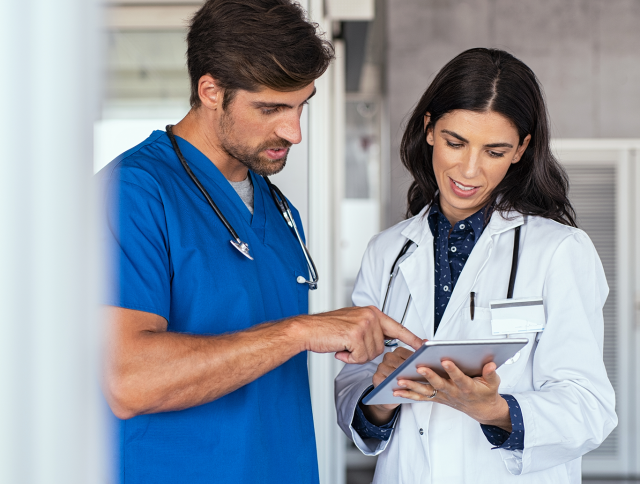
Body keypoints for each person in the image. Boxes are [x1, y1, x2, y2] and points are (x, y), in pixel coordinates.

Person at [99, 1, 422, 483]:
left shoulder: (280, 212)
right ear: (211, 91)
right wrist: (297, 332)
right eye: (271, 108)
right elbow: (128, 380)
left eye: (300, 105)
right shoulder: (132, 194)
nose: (292, 131)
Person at [335, 48, 617, 483]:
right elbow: (350, 388)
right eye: (455, 142)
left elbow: (590, 408)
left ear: (521, 149)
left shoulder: (561, 250)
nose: (469, 169)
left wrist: (495, 410)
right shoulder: (387, 251)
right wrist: (380, 394)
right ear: (429, 129)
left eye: (495, 151)